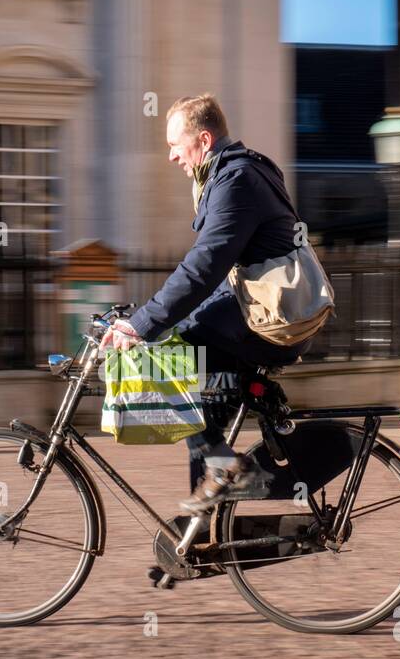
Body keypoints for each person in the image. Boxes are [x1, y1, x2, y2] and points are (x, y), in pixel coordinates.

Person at [99, 94, 315, 514]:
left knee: (163, 353)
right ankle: (203, 535)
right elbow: (223, 273)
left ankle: (225, 469)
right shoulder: (236, 172)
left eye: (175, 144)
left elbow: (205, 266)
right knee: (202, 388)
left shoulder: (237, 181)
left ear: (202, 138)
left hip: (273, 320)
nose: (170, 155)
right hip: (264, 312)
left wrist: (142, 325)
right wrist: (151, 316)